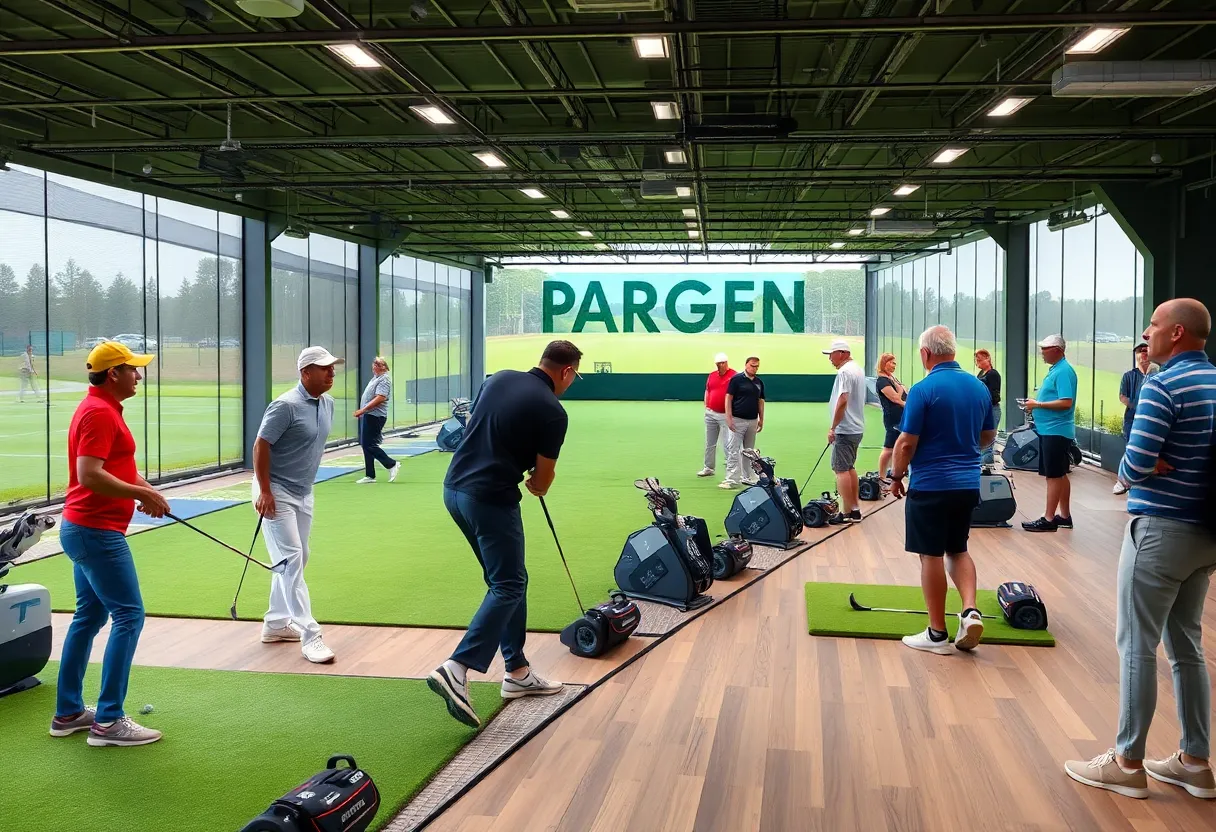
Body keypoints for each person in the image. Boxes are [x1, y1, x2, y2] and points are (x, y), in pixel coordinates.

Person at [1065, 298, 1216, 801]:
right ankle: (1195, 761)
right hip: (1205, 534)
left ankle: (1128, 762)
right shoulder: (1213, 381)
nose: (1146, 332)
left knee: (1136, 645)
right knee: (1187, 645)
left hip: (1160, 531)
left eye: (1153, 324)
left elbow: (1130, 466)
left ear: (1175, 333)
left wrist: (1145, 466)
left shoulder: (1162, 384)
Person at [428, 340, 581, 728]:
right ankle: (458, 668)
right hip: (490, 499)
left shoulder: (497, 379)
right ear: (566, 371)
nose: (571, 382)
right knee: (509, 584)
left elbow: (489, 428)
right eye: (574, 376)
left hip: (454, 491)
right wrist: (539, 482)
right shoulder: (553, 412)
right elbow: (543, 480)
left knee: (507, 581)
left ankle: (516, 671)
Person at [50, 341, 171, 747]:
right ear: (114, 373)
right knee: (129, 616)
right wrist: (141, 496)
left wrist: (143, 486)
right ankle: (109, 721)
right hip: (95, 531)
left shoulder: (102, 408)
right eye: (133, 369)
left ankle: (68, 712)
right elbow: (89, 474)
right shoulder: (99, 412)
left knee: (89, 616)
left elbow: (112, 467)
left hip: (86, 528)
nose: (139, 375)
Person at [889, 326, 996, 655]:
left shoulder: (923, 390)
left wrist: (896, 476)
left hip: (931, 485)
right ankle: (970, 609)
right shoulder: (979, 388)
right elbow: (988, 436)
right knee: (957, 549)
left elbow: (906, 442)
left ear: (925, 354)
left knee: (931, 555)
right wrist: (963, 451)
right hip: (966, 484)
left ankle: (937, 634)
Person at [253, 346, 343, 664]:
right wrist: (264, 491)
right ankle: (311, 635)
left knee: (298, 558)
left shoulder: (328, 403)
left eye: (333, 367)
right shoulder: (285, 405)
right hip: (275, 492)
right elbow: (261, 445)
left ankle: (276, 624)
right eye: (324, 368)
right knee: (291, 560)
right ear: (305, 372)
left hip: (304, 491)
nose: (332, 372)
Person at [1021, 334, 1078, 532]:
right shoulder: (1057, 370)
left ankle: (1049, 518)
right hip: (1052, 430)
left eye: (1045, 349)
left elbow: (1066, 402)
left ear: (1057, 350)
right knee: (1060, 473)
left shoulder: (1063, 371)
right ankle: (1064, 515)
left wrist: (1038, 404)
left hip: (1056, 430)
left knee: (1053, 475)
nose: (1042, 353)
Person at [824, 339, 867, 523]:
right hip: (856, 427)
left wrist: (833, 427)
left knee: (840, 469)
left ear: (842, 353)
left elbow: (843, 400)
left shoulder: (845, 372)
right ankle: (853, 508)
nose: (830, 359)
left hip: (846, 428)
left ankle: (849, 512)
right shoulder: (857, 368)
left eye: (831, 355)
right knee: (849, 468)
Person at [1113, 343, 1156, 495]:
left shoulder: (1155, 374)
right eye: (1140, 351)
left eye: (1146, 350)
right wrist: (1136, 406)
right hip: (1132, 418)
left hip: (1151, 419)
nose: (1144, 354)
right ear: (1136, 355)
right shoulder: (1129, 376)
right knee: (1131, 448)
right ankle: (1123, 480)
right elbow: (1122, 396)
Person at [354, 356, 399, 484]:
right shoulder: (376, 379)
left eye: (378, 365)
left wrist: (363, 410)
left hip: (375, 416)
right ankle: (370, 475)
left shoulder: (384, 380)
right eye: (374, 364)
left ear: (384, 367)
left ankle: (391, 464)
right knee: (366, 444)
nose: (375, 367)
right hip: (369, 415)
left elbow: (380, 398)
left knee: (369, 444)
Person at [722, 356, 764, 489]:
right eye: (752, 365)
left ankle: (747, 477)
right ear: (746, 365)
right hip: (737, 420)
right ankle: (731, 479)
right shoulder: (736, 379)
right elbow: (728, 398)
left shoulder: (759, 382)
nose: (755, 368)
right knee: (733, 449)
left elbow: (761, 401)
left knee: (749, 451)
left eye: (757, 366)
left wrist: (761, 419)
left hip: (752, 420)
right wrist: (728, 417)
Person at [697, 352, 736, 479]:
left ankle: (732, 469)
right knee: (710, 443)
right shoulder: (712, 376)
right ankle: (708, 468)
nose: (721, 365)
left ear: (727, 363)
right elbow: (708, 390)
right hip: (711, 414)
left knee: (727, 443)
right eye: (719, 363)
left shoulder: (734, 376)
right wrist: (706, 405)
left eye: (723, 363)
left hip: (726, 415)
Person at [874, 352, 907, 480]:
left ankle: (894, 474)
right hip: (893, 419)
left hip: (901, 417)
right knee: (888, 448)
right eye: (891, 362)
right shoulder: (882, 381)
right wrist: (901, 391)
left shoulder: (891, 378)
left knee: (898, 448)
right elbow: (896, 398)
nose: (894, 365)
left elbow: (905, 390)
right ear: (884, 363)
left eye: (895, 363)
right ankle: (881, 477)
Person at [975, 349, 1002, 465]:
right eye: (976, 360)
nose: (978, 362)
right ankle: (983, 463)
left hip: (992, 409)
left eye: (980, 360)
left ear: (988, 359)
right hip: (983, 410)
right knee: (981, 438)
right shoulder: (981, 374)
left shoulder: (993, 374)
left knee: (988, 440)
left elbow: (995, 396)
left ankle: (987, 464)